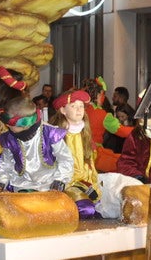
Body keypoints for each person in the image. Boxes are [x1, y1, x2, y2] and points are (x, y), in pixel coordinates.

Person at [0, 95, 74, 193]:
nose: (7, 125)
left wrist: (59, 180)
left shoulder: (50, 134)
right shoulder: (10, 139)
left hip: (49, 184)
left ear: (24, 124)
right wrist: (1, 181)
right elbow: (6, 163)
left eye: (10, 123)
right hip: (23, 185)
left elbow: (65, 159)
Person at [51, 90, 101, 218]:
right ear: (63, 110)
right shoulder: (56, 135)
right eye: (73, 106)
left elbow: (90, 165)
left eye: (81, 106)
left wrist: (90, 183)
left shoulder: (85, 132)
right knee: (87, 209)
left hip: (85, 182)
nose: (79, 110)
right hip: (66, 183)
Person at [83, 77, 133, 172]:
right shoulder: (101, 114)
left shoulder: (81, 109)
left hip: (81, 152)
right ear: (98, 95)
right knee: (125, 163)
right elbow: (122, 131)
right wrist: (138, 129)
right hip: (95, 155)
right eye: (103, 94)